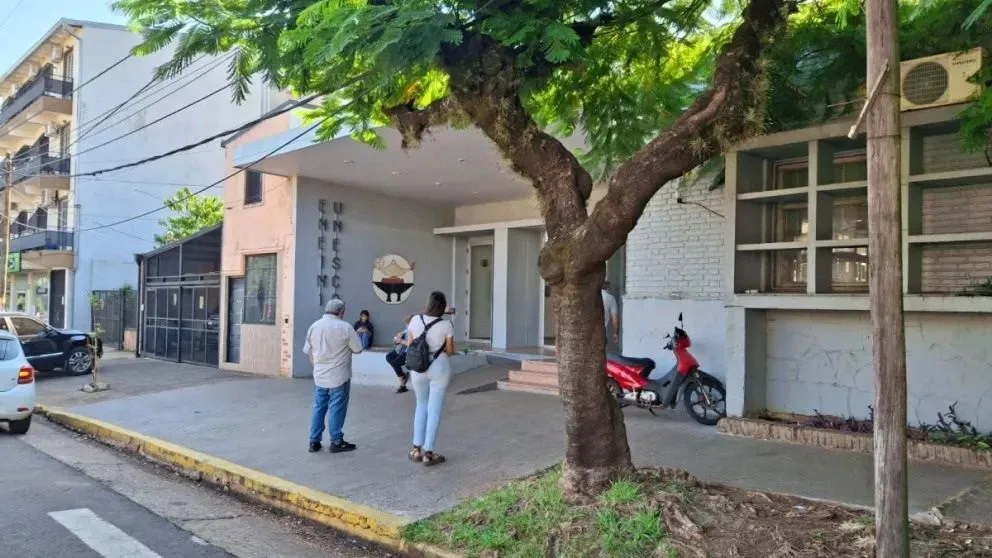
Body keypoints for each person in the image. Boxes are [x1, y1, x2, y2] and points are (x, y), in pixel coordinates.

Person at [304, 298, 363, 454]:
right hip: (339, 376)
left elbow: (308, 351)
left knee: (318, 408)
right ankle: (336, 441)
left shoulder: (314, 326)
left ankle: (314, 441)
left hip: (319, 376)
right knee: (336, 408)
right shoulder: (345, 327)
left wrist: (317, 365)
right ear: (342, 312)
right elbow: (358, 349)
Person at [406, 291, 455, 466]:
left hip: (418, 368)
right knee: (434, 410)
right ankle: (429, 452)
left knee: (421, 405)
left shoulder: (414, 320)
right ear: (442, 306)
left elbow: (410, 345)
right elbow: (450, 351)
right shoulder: (446, 325)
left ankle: (416, 449)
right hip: (439, 367)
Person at [385, 314, 413, 393]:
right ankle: (403, 377)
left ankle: (402, 383)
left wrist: (401, 341)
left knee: (395, 362)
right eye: (406, 325)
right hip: (401, 350)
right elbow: (397, 337)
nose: (407, 326)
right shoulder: (407, 330)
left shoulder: (415, 331)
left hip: (409, 352)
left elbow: (410, 344)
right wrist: (397, 337)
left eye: (407, 324)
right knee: (389, 357)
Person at [602, 280, 620, 347]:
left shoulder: (591, 296)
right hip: (602, 333)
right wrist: (615, 333)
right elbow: (615, 319)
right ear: (608, 288)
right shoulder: (610, 298)